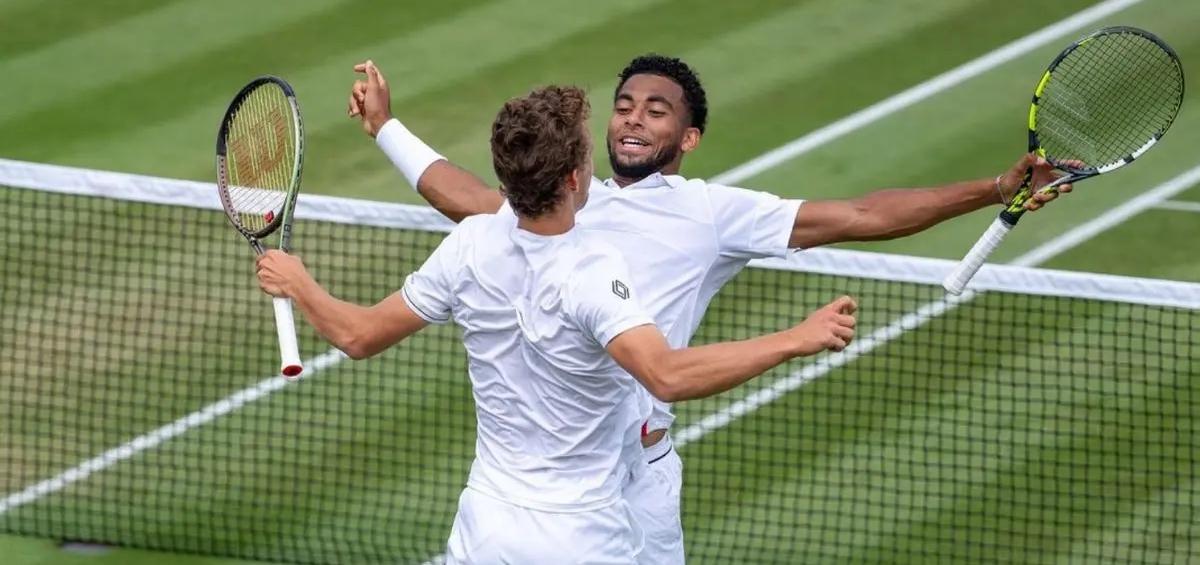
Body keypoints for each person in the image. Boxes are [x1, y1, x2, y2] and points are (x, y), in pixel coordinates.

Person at [348, 54, 1071, 563]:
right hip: (551, 485)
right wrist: (386, 128)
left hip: (638, 475)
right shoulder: (563, 195)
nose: (633, 119)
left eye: (657, 111)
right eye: (625, 105)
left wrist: (991, 187)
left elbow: (860, 212)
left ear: (688, 138)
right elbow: (460, 194)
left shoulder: (712, 214)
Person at [261, 84, 858, 563]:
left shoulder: (471, 244)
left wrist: (301, 284)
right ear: (574, 179)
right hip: (581, 537)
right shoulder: (593, 272)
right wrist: (794, 339)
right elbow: (668, 376)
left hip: (485, 527)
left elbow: (358, 335)